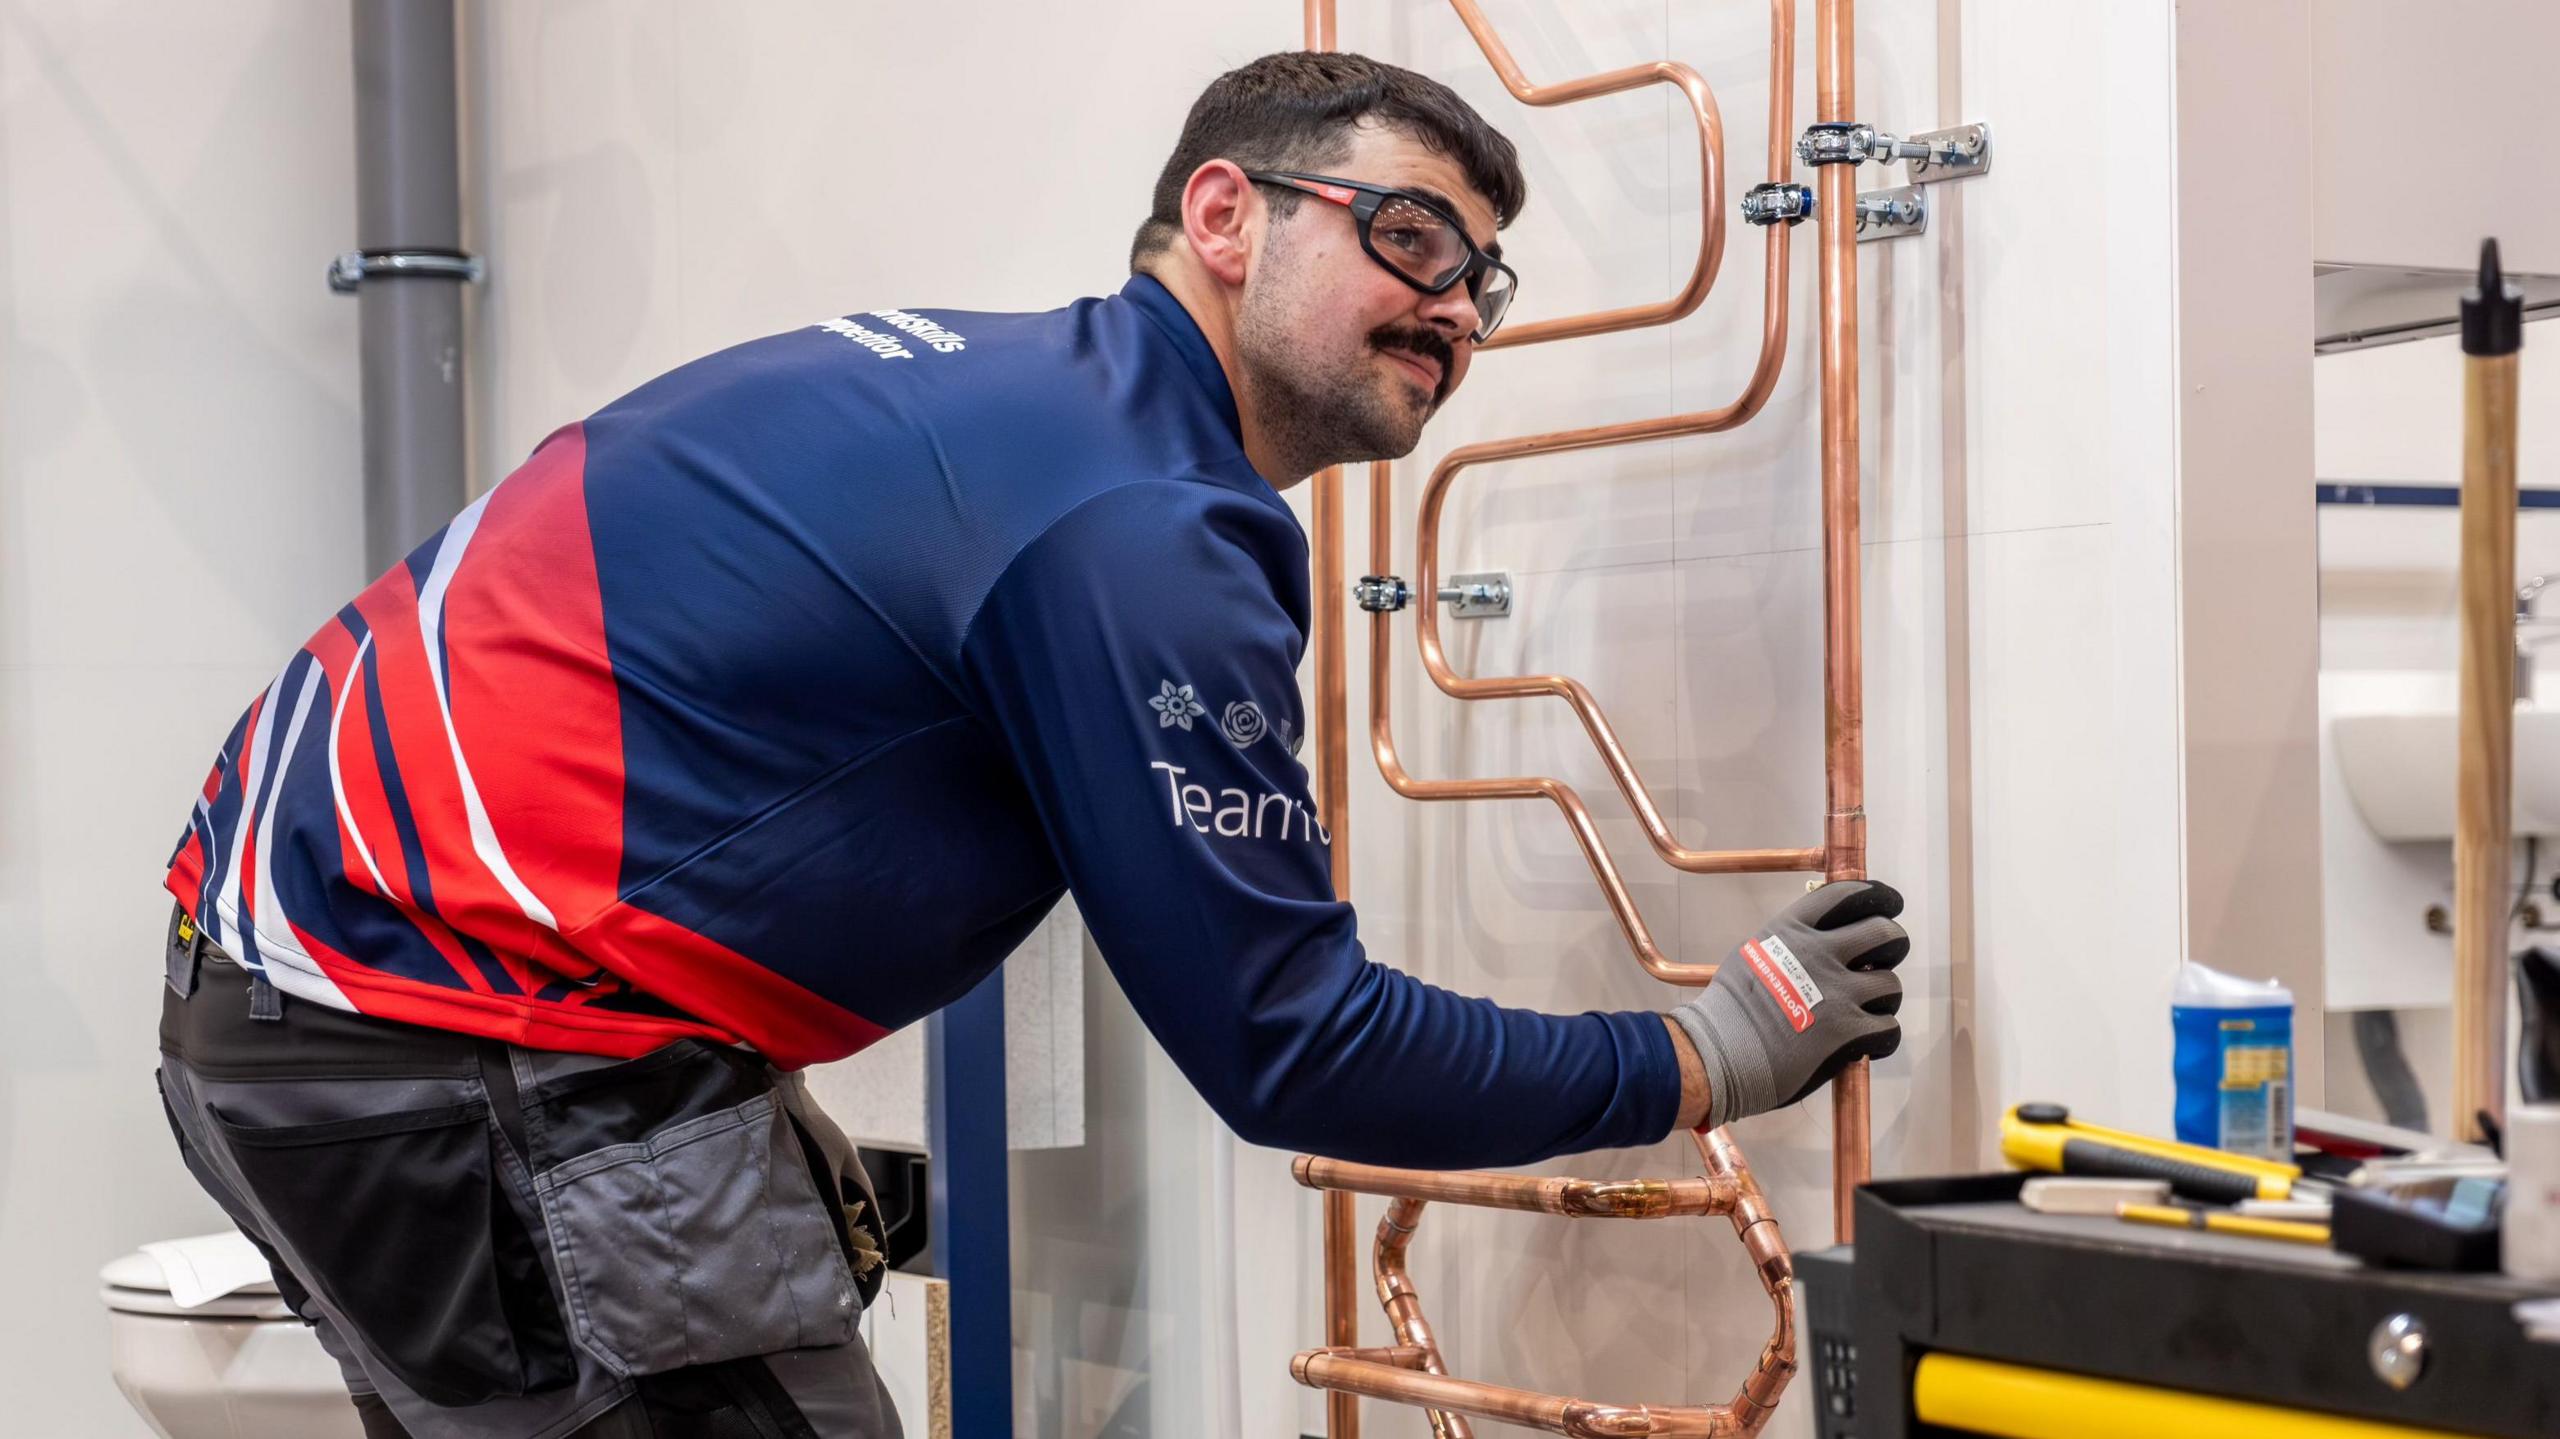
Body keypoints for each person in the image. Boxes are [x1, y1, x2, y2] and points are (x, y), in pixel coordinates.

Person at [151, 50, 1906, 1439]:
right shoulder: (1137, 513)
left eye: (1482, 283)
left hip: (306, 995)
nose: (1455, 309)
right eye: (1412, 239)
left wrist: (746, 1086)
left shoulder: (1025, 404)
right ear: (1226, 216)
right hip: (452, 1048)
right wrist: (1704, 1054)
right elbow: (1290, 1044)